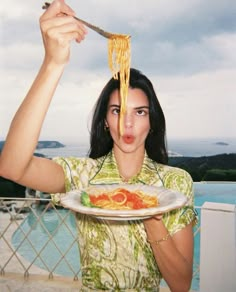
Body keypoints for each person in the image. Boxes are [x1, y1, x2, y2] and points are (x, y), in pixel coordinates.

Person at [0, 0, 197, 291]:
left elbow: (181, 284)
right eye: (117, 111)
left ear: (152, 121)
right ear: (105, 120)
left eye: (139, 112)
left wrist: (151, 216)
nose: (126, 124)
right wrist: (53, 63)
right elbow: (11, 166)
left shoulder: (174, 184)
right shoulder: (84, 176)